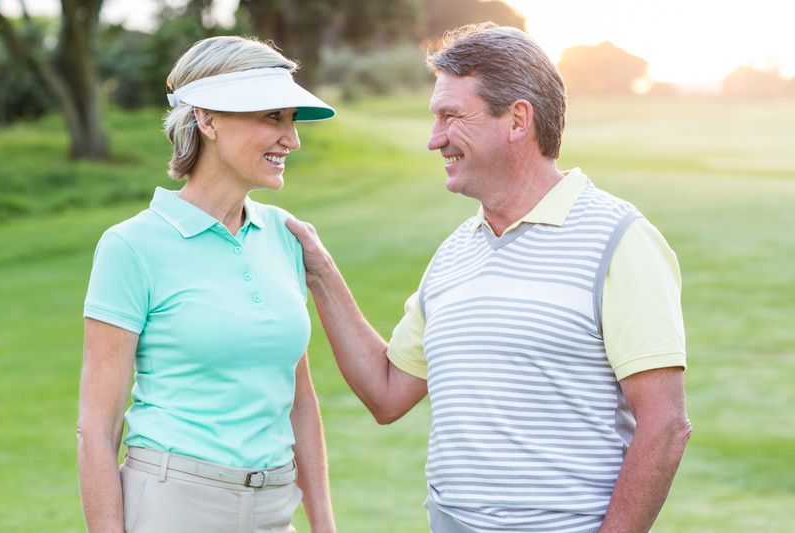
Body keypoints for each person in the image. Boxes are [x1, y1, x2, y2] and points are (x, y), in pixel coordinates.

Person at [286, 23, 691, 533]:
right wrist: (320, 271)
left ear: (518, 119)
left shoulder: (620, 239)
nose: (435, 140)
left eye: (451, 117)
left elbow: (665, 426)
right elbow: (387, 393)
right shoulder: (454, 255)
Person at [77, 36, 337, 533]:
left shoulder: (284, 236)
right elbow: (98, 428)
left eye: (291, 120)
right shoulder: (131, 246)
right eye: (271, 118)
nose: (292, 139)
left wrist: (324, 524)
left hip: (274, 509)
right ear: (207, 119)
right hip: (173, 507)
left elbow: (298, 399)